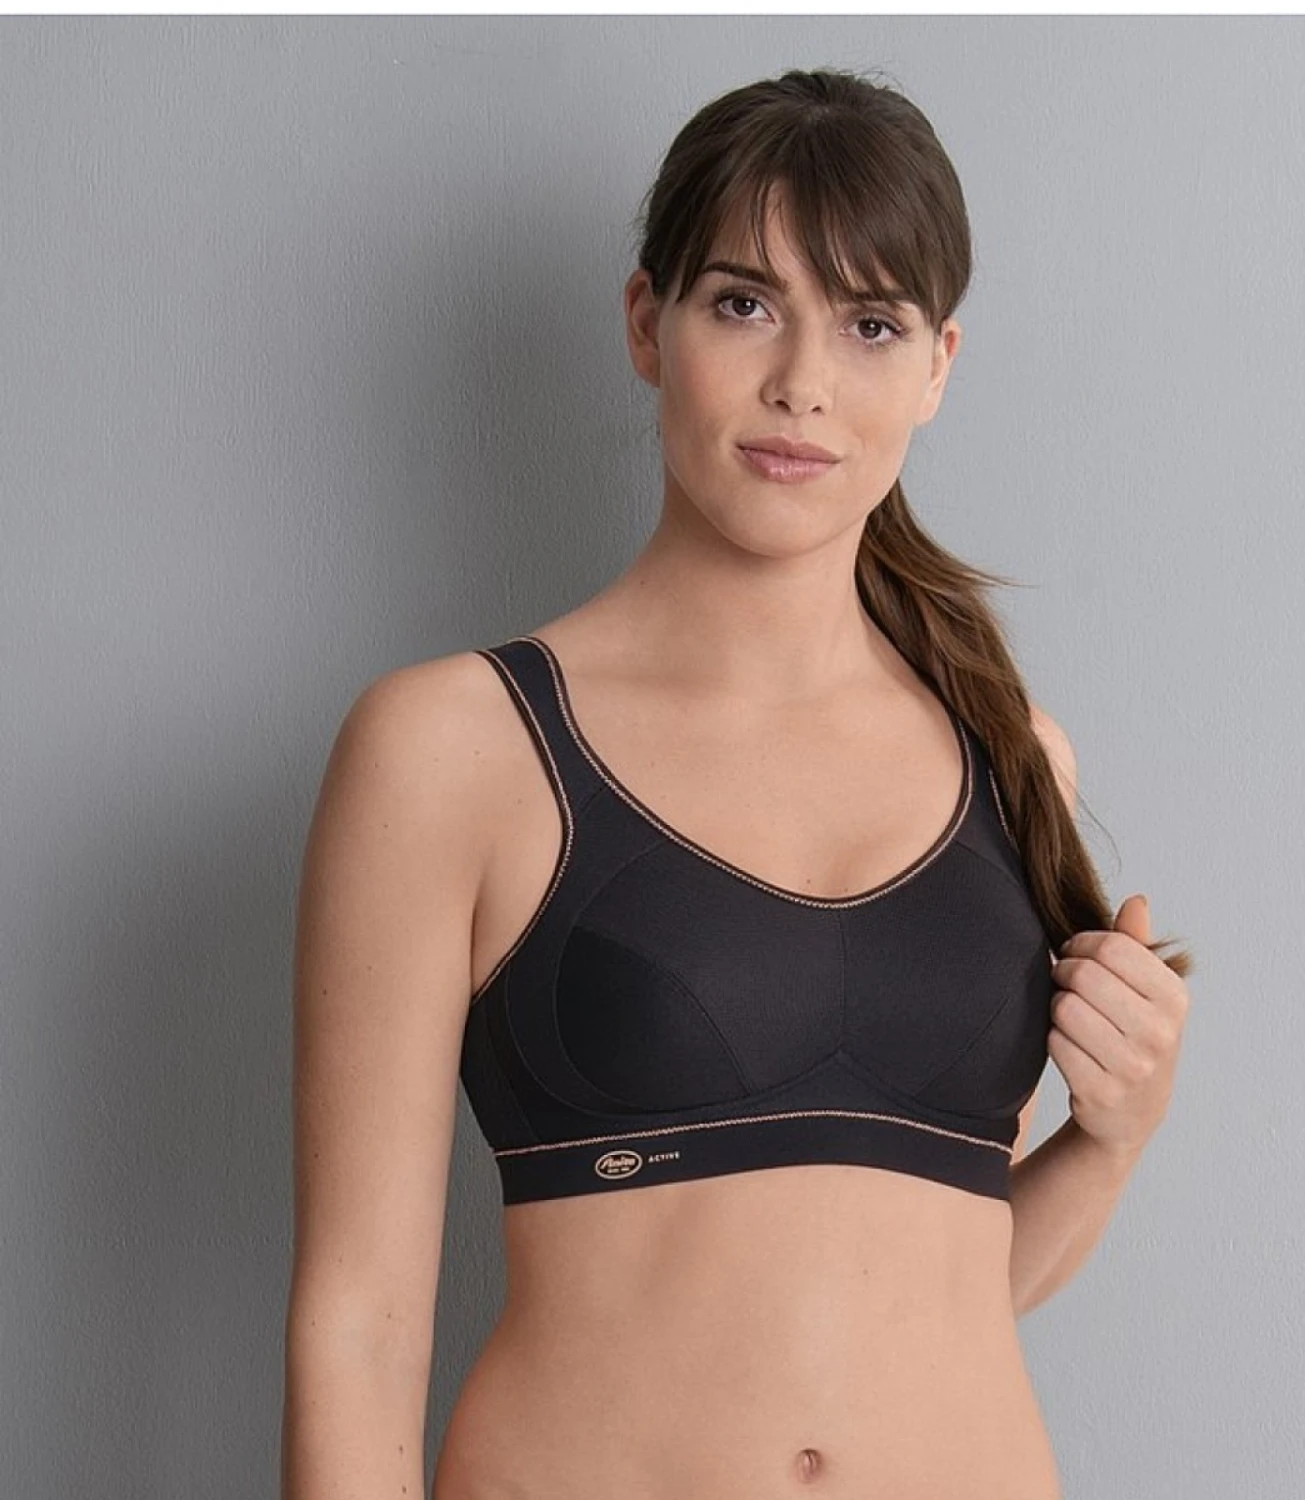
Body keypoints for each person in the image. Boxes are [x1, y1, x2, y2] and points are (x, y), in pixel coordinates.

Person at [281, 66, 1194, 1500]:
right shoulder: (453, 748)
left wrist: (1114, 1140)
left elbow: (931, 1295)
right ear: (649, 324)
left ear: (938, 366)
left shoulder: (1015, 756)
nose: (803, 384)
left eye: (872, 324)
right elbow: (359, 1326)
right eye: (746, 304)